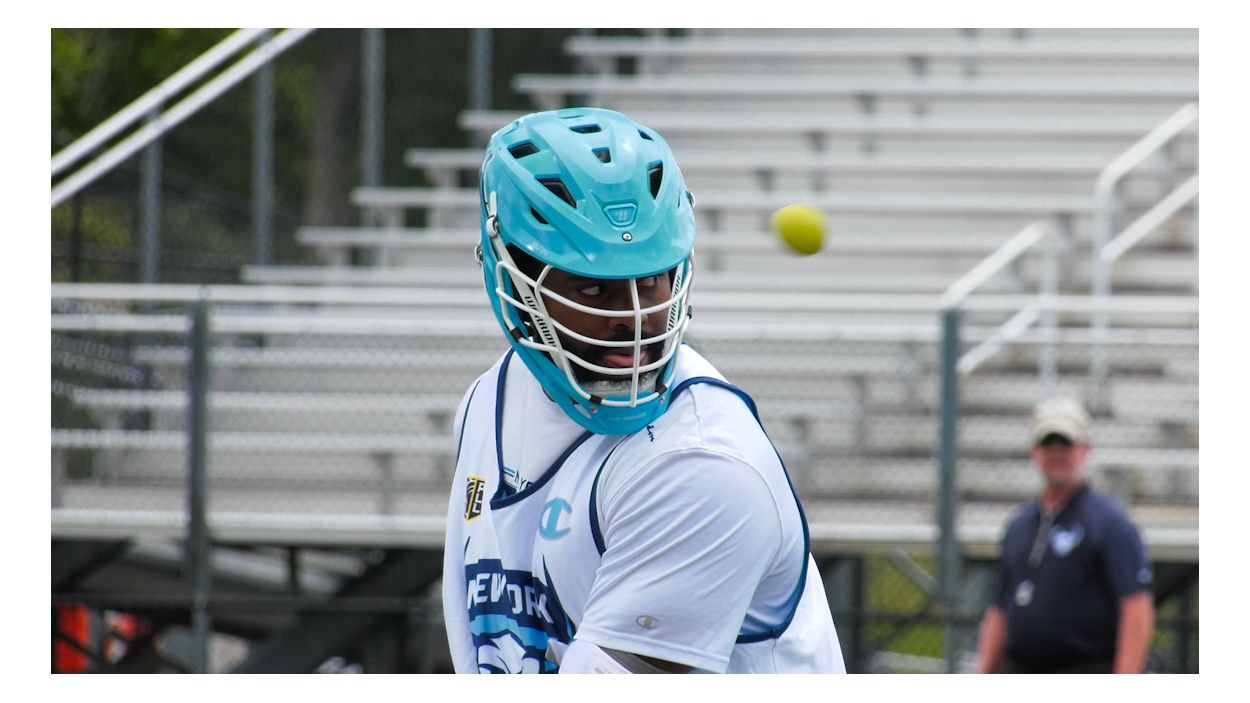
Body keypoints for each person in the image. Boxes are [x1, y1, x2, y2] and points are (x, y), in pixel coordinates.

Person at [441, 107, 845, 674]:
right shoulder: (488, 401)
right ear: (513, 275)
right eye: (593, 288)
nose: (635, 317)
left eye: (650, 279)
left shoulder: (699, 464)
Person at [975, 396, 1155, 674]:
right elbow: (999, 610)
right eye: (1048, 444)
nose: (1056, 453)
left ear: (1085, 449)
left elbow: (1136, 606)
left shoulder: (1109, 522)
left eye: (1066, 444)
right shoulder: (1019, 525)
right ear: (1034, 451)